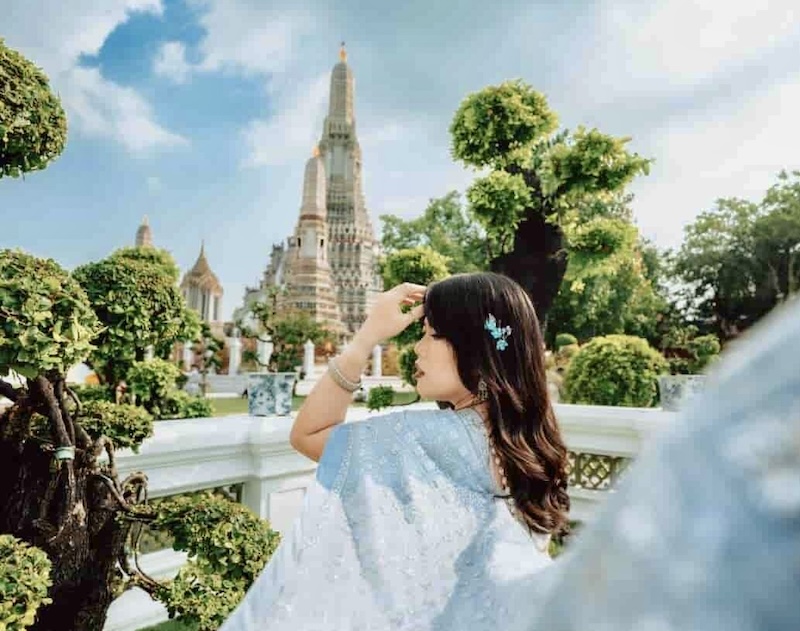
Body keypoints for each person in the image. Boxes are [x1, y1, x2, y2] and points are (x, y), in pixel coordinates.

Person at [219, 272, 570, 630]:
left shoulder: (417, 437)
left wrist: (366, 338)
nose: (418, 348)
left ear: (476, 348)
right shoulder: (536, 448)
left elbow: (309, 433)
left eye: (432, 334)